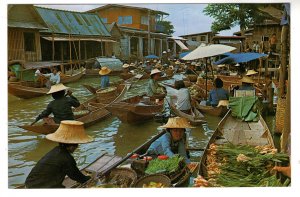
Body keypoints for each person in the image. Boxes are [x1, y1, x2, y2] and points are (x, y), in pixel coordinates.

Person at [25, 120, 93, 188]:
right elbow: (76, 176)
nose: (76, 148)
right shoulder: (66, 158)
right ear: (71, 147)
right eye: (76, 146)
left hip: (29, 183)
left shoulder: (55, 150)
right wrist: (89, 178)